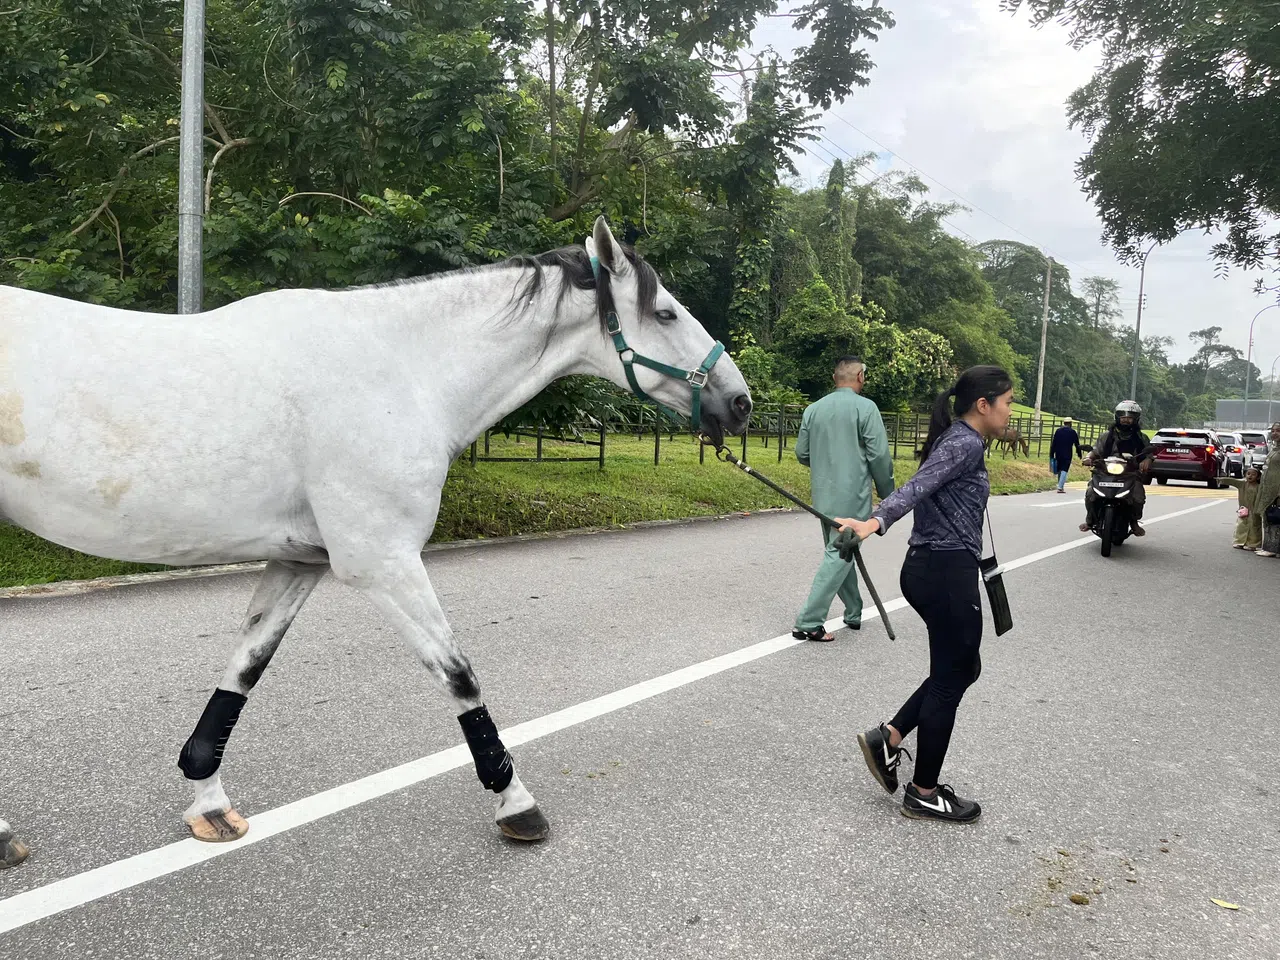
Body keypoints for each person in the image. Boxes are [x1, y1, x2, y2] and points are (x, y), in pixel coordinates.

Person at [836, 365, 1014, 824]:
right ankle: (924, 791)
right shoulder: (964, 442)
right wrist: (874, 522)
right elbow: (917, 487)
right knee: (952, 677)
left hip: (936, 569)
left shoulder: (959, 440)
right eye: (1008, 402)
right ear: (983, 405)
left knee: (960, 668)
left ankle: (890, 737)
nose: (1010, 411)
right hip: (943, 570)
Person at [791, 356, 895, 642]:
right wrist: (889, 497)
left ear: (834, 377)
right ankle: (809, 621)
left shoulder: (813, 409)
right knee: (840, 553)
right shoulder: (866, 408)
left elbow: (802, 453)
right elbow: (879, 457)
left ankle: (854, 611)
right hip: (853, 497)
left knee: (840, 551)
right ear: (860, 376)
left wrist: (827, 462)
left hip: (823, 496)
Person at [1080, 400, 1152, 536]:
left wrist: (1147, 460)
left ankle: (1133, 522)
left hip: (1130, 474)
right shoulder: (1106, 436)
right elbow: (1095, 451)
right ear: (1117, 417)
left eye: (1129, 418)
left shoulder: (1141, 438)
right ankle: (1090, 520)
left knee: (1138, 496)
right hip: (1104, 472)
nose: (1126, 420)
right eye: (1123, 417)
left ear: (1136, 419)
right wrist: (1088, 458)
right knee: (1090, 493)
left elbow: (1148, 454)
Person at [1222, 466, 1263, 550]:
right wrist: (1221, 479)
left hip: (1255, 510)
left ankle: (1253, 544)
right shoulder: (1242, 484)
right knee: (1241, 525)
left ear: (1258, 477)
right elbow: (1233, 481)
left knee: (1254, 527)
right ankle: (1239, 541)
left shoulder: (1260, 487)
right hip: (1244, 509)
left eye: (1253, 474)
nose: (1250, 476)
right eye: (1248, 474)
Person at [1255, 422, 1280, 558]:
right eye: (1273, 430)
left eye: (1278, 431)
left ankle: (1272, 548)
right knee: (1269, 516)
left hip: (1276, 490)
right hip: (1268, 488)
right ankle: (1270, 547)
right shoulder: (1274, 449)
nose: (1275, 433)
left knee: (1275, 518)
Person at [1049, 417, 1082, 493]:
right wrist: (1079, 453)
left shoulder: (1058, 431)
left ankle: (1060, 485)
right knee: (1064, 469)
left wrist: (1051, 453)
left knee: (1060, 468)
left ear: (1064, 423)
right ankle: (1060, 487)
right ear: (1070, 423)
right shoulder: (1073, 432)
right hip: (1067, 453)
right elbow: (1077, 444)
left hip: (1058, 453)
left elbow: (1054, 443)